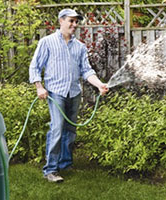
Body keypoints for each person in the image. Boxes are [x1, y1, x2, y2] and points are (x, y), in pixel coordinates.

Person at [29, 8, 109, 183]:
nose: (74, 24)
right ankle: (50, 169)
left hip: (74, 92)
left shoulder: (79, 46)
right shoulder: (47, 42)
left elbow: (87, 71)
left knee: (70, 130)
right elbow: (35, 66)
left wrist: (99, 85)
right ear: (61, 21)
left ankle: (65, 164)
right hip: (56, 92)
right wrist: (39, 87)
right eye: (71, 21)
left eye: (76, 22)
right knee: (57, 128)